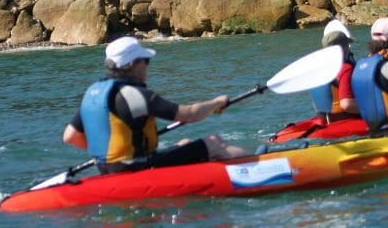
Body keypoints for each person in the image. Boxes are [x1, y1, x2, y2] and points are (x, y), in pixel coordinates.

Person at [63, 36, 250, 174]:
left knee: (184, 143)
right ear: (131, 65)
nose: (147, 65)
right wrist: (217, 102)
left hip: (107, 169)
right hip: (135, 168)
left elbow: (70, 136)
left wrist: (111, 151)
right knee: (214, 142)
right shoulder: (133, 94)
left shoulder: (93, 94)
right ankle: (262, 166)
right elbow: (189, 114)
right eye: (145, 60)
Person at [309, 19, 360, 123]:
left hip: (327, 119)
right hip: (347, 119)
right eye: (347, 45)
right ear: (343, 48)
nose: (349, 48)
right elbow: (346, 104)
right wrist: (372, 109)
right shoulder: (346, 68)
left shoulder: (318, 69)